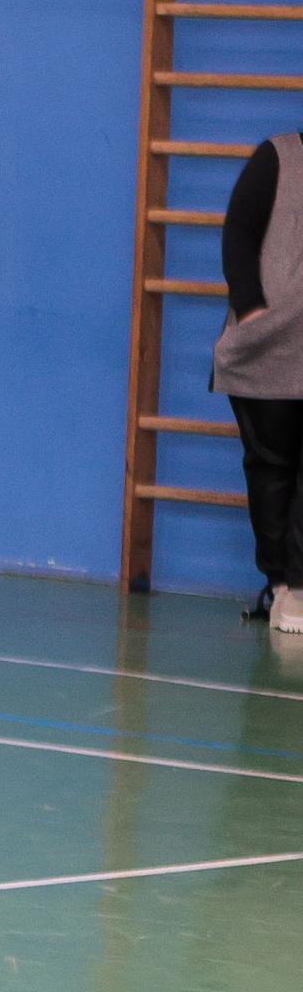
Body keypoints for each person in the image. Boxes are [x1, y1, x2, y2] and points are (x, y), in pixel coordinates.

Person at [216, 131, 303, 634]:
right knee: (271, 467)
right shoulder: (278, 156)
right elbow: (239, 232)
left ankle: (299, 584)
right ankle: (281, 586)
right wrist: (251, 311)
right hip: (269, 348)